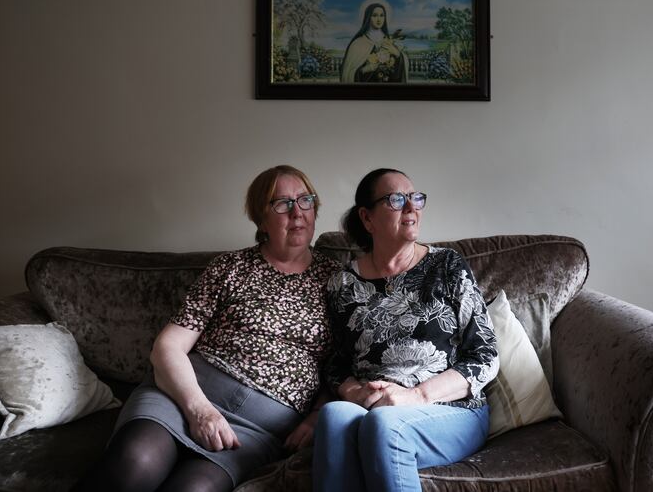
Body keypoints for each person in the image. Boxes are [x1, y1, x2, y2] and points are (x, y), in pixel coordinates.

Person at [74, 165, 340, 492]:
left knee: (193, 489)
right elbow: (168, 347)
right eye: (282, 204)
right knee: (135, 461)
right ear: (261, 218)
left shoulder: (338, 282)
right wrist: (199, 410)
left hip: (257, 428)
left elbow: (342, 365)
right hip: (186, 396)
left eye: (305, 201)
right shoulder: (230, 267)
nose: (297, 213)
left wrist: (317, 416)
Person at [313, 168, 499, 492]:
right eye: (396, 199)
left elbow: (485, 355)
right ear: (367, 219)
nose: (411, 207)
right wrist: (355, 392)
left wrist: (416, 396)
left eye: (415, 197)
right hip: (373, 406)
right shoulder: (343, 283)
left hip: (448, 408)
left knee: (385, 426)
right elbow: (336, 361)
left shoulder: (447, 266)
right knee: (334, 417)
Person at [340, 2, 409, 83]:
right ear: (368, 17)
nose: (379, 19)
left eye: (382, 15)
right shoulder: (357, 44)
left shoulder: (389, 42)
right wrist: (364, 70)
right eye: (375, 15)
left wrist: (397, 54)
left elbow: (398, 74)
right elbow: (348, 73)